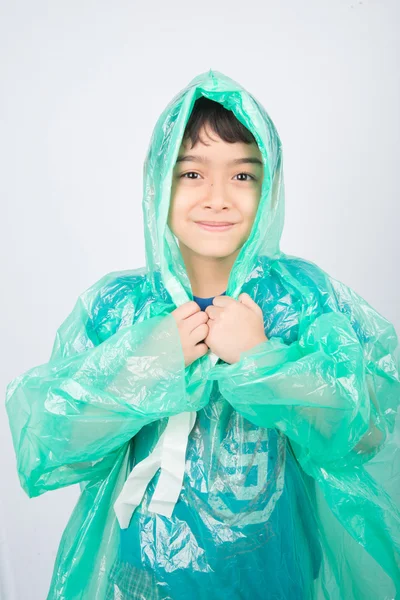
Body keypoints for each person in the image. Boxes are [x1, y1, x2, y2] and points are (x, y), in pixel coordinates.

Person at [5, 69, 400, 600]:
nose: (217, 198)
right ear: (157, 184)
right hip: (147, 582)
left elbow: (370, 433)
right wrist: (139, 370)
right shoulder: (118, 309)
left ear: (270, 188)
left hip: (277, 582)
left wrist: (266, 361)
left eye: (243, 176)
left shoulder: (304, 301)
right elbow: (52, 450)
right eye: (191, 174)